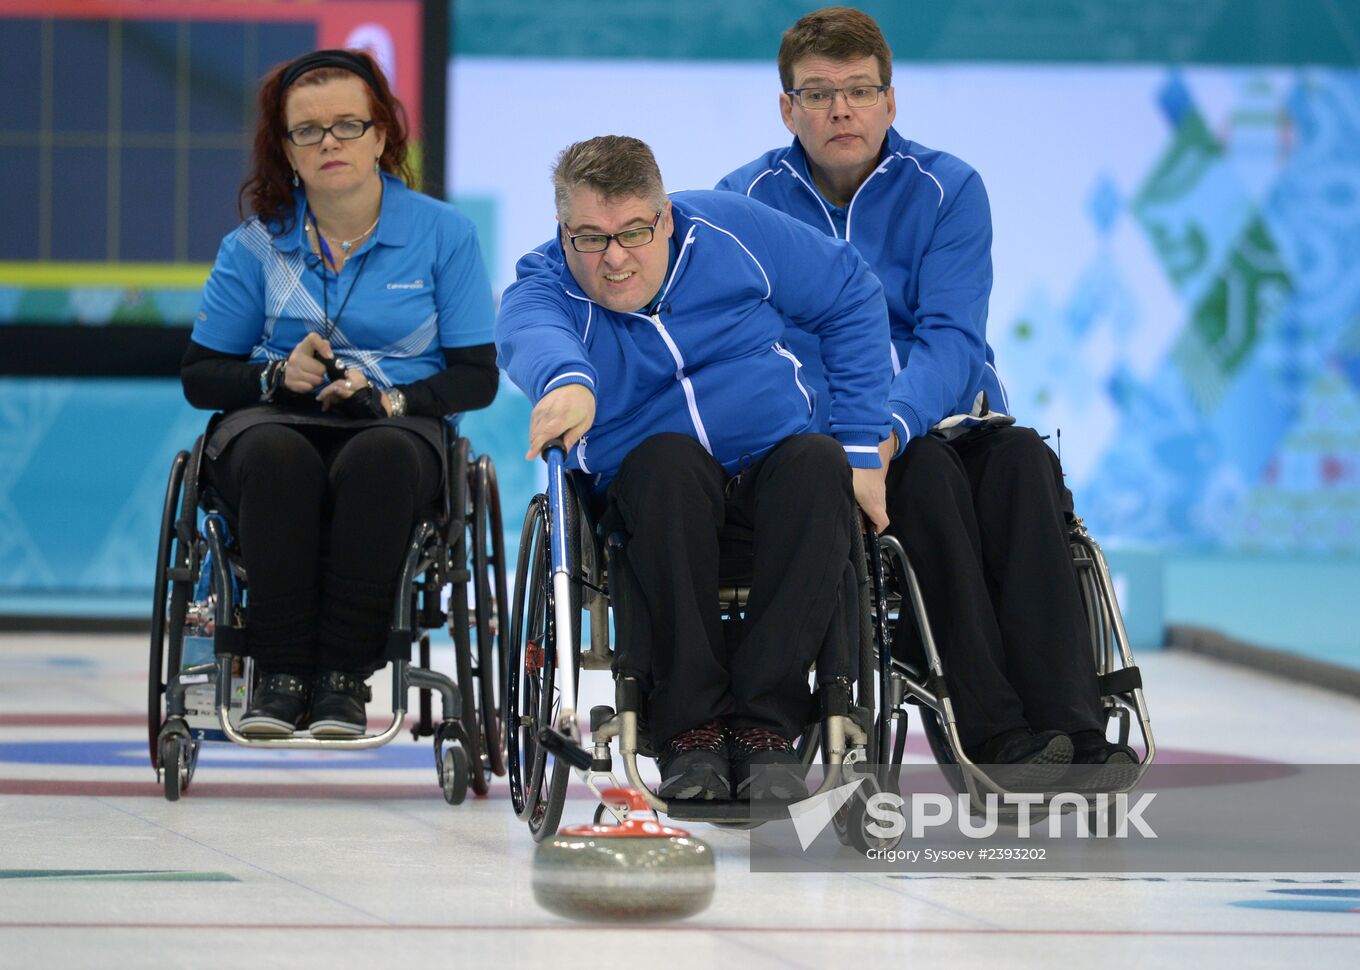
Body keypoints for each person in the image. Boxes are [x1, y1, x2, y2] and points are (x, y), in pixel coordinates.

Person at [718, 7, 1137, 770]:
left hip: (940, 413)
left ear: (890, 100)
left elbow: (953, 337)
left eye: (859, 90)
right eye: (817, 94)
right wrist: (858, 433)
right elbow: (755, 349)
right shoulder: (743, 203)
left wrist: (895, 423)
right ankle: (995, 732)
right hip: (825, 434)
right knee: (930, 482)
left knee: (1023, 467)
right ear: (787, 108)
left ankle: (1073, 725)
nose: (840, 109)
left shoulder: (948, 188)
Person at [496, 135, 891, 800]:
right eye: (590, 237)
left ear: (666, 218)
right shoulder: (546, 286)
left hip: (773, 474)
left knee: (818, 463)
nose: (614, 258)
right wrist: (568, 383)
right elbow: (534, 335)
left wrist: (859, 446)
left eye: (633, 233)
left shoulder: (727, 229)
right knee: (667, 464)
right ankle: (690, 729)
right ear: (564, 232)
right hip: (656, 501)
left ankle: (767, 724)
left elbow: (850, 290)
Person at [180, 49, 498, 738]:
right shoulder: (256, 245)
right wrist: (272, 377)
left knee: (380, 457)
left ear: (381, 135)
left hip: (394, 426)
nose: (330, 142)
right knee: (274, 455)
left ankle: (342, 682)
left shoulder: (444, 235)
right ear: (286, 151)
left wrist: (391, 400)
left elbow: (478, 376)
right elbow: (202, 375)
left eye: (348, 125)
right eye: (308, 131)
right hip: (272, 425)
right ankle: (282, 673)